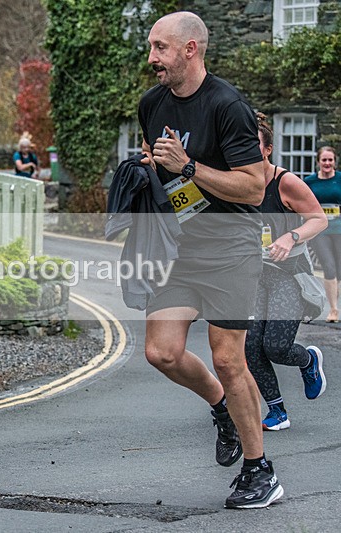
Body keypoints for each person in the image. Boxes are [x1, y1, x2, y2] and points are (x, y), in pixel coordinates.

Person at [138, 11, 282, 509]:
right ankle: (221, 408)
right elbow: (158, 160)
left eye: (160, 47)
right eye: (152, 47)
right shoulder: (151, 103)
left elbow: (253, 186)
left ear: (190, 49)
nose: (152, 57)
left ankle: (259, 469)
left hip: (231, 247)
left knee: (227, 357)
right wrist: (150, 168)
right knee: (162, 352)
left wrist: (190, 167)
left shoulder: (228, 106)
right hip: (182, 248)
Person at [244, 113, 327, 432]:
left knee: (276, 347)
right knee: (251, 346)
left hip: (288, 275)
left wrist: (290, 236)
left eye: (254, 146)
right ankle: (277, 411)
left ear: (267, 150)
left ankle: (308, 360)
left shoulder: (285, 182)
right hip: (255, 277)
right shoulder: (240, 183)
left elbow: (318, 219)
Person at [304, 146, 341, 322]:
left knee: (339, 269)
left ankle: (336, 300)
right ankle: (333, 309)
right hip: (319, 230)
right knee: (329, 266)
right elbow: (300, 203)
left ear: (335, 161)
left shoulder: (340, 179)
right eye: (324, 160)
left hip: (339, 229)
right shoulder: (309, 182)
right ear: (318, 162)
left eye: (330, 160)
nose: (327, 163)